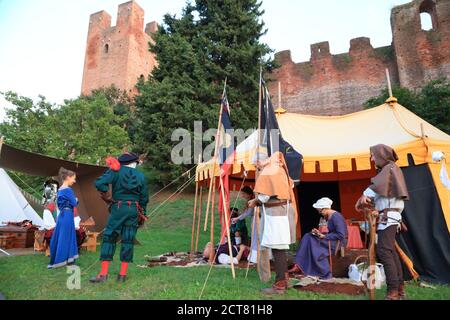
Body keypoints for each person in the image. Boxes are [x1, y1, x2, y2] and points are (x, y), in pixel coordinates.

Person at [355, 144, 409, 300]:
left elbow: (375, 188)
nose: (372, 159)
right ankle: (399, 289)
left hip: (389, 218)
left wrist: (364, 195)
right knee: (390, 251)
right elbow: (382, 191)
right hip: (390, 217)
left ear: (380, 155)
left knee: (384, 252)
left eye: (373, 156)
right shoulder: (390, 170)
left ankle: (393, 291)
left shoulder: (389, 169)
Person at [90, 152, 149, 283]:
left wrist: (108, 197)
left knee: (109, 237)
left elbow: (99, 183)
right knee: (128, 239)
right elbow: (144, 198)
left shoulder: (115, 171)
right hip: (134, 209)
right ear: (134, 162)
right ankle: (122, 276)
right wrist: (143, 212)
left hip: (118, 208)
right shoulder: (141, 176)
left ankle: (103, 275)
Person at [248, 152, 297, 295]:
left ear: (260, 160)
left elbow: (264, 196)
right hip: (279, 212)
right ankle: (284, 279)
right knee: (279, 248)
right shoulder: (279, 168)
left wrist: (255, 201)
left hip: (276, 214)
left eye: (256, 164)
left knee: (277, 248)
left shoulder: (270, 171)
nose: (256, 167)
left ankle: (280, 284)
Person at [289, 197, 347, 279]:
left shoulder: (336, 217)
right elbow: (333, 232)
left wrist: (325, 236)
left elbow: (341, 235)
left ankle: (323, 271)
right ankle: (299, 264)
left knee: (311, 242)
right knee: (308, 236)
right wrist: (319, 233)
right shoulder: (330, 216)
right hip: (331, 239)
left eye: (319, 210)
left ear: (324, 209)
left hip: (337, 242)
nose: (319, 212)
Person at [47, 167, 79, 269]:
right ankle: (62, 260)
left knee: (60, 237)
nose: (74, 181)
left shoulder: (60, 190)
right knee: (66, 237)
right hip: (68, 215)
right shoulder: (68, 190)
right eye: (73, 178)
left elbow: (61, 205)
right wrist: (76, 200)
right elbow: (74, 203)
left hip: (62, 216)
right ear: (68, 178)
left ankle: (66, 259)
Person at [231, 186, 258, 263]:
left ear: (248, 194)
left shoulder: (253, 201)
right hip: (255, 220)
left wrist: (237, 218)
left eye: (243, 194)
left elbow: (248, 213)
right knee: (254, 237)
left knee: (256, 238)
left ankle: (255, 256)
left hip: (257, 221)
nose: (242, 196)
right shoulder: (251, 201)